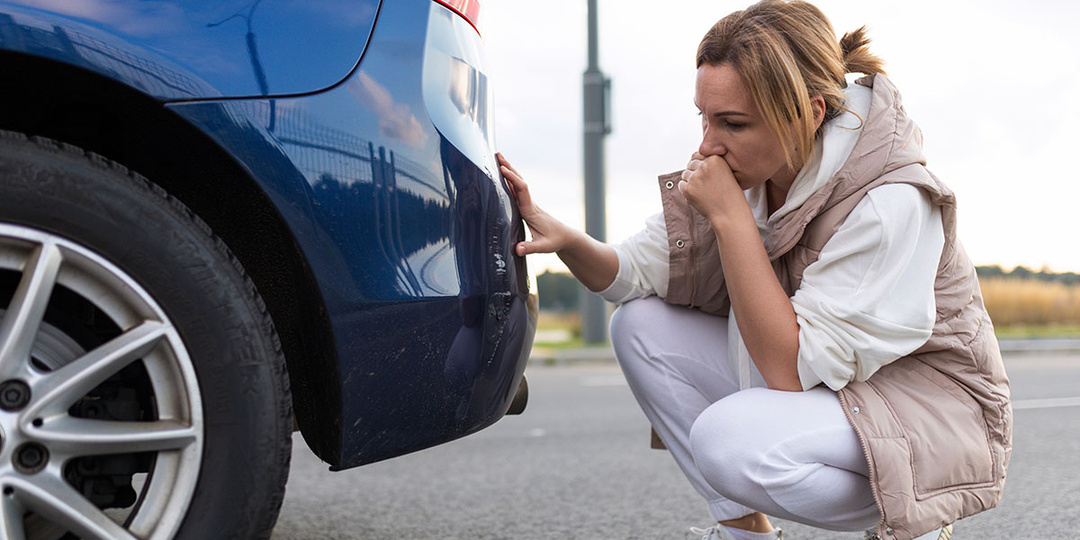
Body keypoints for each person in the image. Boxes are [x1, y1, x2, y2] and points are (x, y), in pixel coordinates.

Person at [498, 0, 1012, 539]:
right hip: (832, 391)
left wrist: (731, 220)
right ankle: (747, 535)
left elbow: (787, 373)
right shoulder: (752, 169)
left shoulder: (890, 201)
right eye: (704, 116)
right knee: (638, 324)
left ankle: (916, 520)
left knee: (727, 441)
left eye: (733, 123)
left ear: (810, 113)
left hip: (923, 418)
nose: (706, 144)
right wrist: (565, 238)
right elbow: (631, 272)